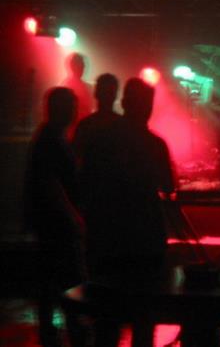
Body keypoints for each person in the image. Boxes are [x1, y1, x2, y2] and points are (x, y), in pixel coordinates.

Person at [83, 78, 175, 346]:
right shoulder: (155, 144)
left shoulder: (100, 139)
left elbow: (86, 182)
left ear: (123, 103)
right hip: (146, 239)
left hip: (108, 237)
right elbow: (168, 186)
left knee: (106, 318)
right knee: (144, 317)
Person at [24, 87, 87, 347]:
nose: (75, 112)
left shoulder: (50, 136)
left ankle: (52, 330)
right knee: (66, 276)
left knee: (51, 277)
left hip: (50, 221)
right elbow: (52, 184)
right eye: (71, 107)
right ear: (60, 109)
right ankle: (72, 328)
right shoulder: (51, 140)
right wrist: (73, 216)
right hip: (56, 222)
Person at [72, 73, 120, 164]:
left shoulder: (85, 125)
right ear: (115, 96)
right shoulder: (123, 126)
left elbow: (75, 157)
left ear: (96, 93)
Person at [60, 53, 93, 133]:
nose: (83, 67)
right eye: (81, 64)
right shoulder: (66, 86)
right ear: (73, 66)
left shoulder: (85, 86)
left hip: (84, 128)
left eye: (83, 65)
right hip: (74, 130)